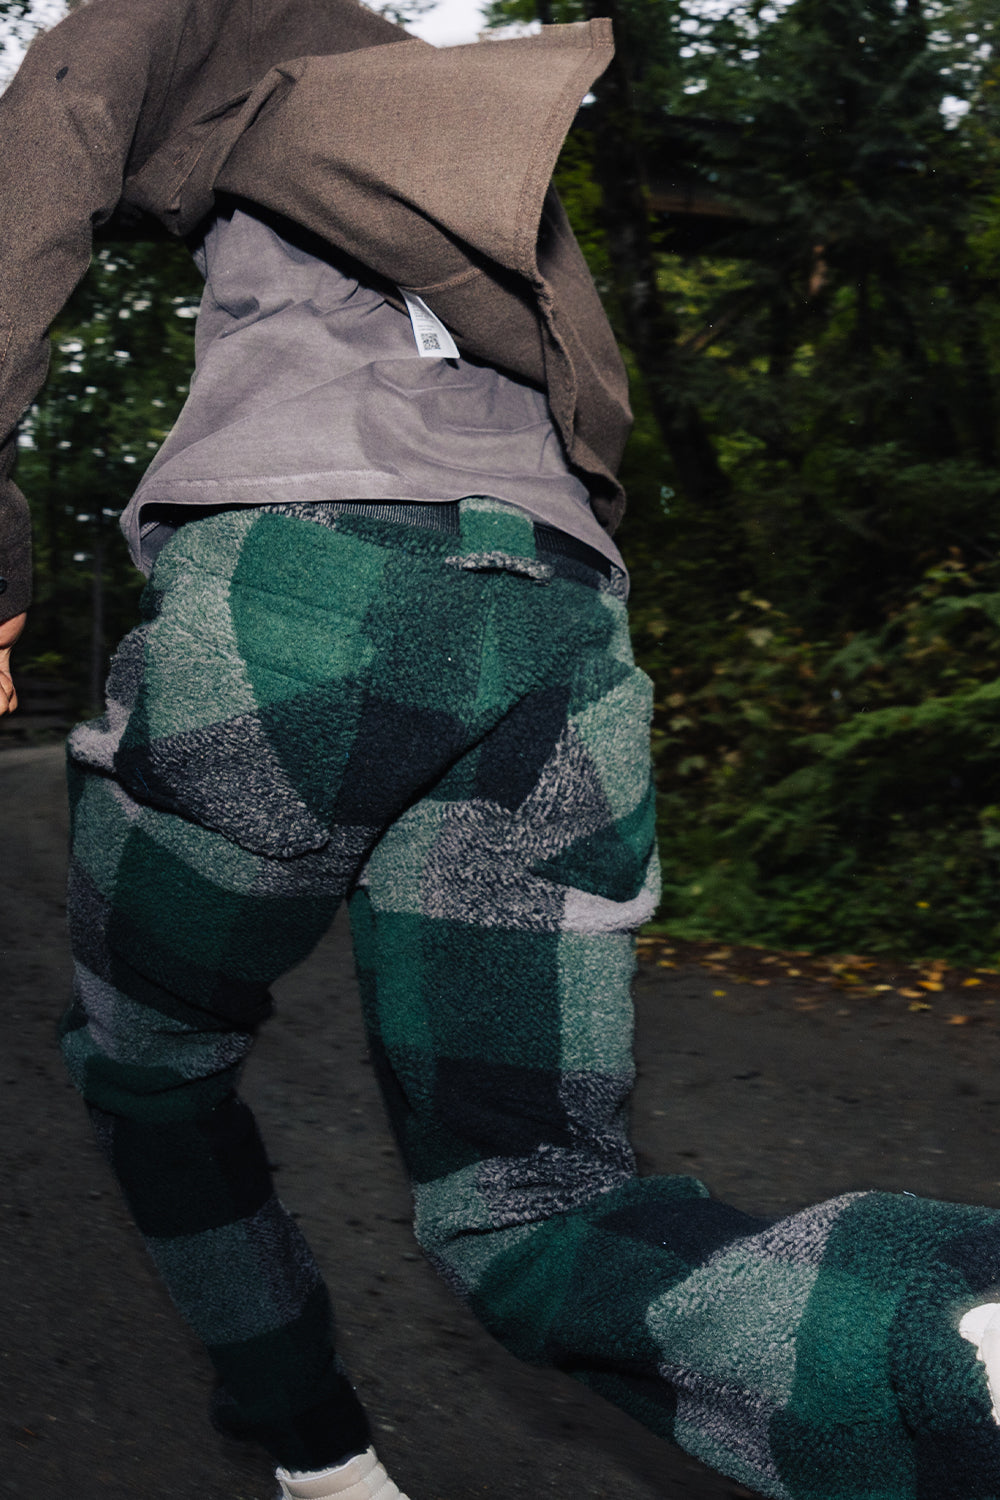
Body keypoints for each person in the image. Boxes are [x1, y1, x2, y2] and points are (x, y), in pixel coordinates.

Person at [5, 4, 1000, 1499]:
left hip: (306, 585)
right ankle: (955, 1340)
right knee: (531, 1202)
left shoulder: (227, 28)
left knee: (149, 1066)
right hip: (558, 618)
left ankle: (314, 1452)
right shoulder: (477, 155)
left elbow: (58, 135)